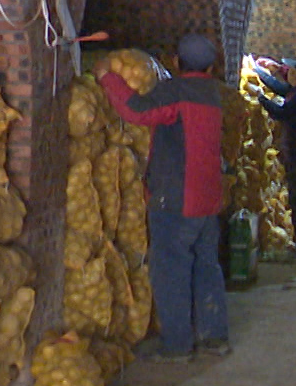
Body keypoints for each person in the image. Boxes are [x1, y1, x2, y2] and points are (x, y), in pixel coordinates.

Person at [99, 33, 232, 359]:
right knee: (206, 267)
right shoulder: (212, 94)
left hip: (176, 197)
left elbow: (137, 111)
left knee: (171, 270)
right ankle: (214, 337)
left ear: (176, 61)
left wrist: (107, 77)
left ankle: (177, 345)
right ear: (212, 66)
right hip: (208, 199)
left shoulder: (176, 91)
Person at [257, 57, 296, 258]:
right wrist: (259, 72)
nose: (289, 76)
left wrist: (262, 100)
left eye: (293, 73)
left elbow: (282, 113)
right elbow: (279, 87)